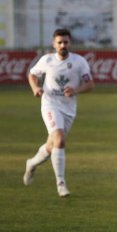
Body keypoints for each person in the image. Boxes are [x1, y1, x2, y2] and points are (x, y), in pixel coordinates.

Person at [24, 28, 95, 197]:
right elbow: (32, 75)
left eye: (66, 42)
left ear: (70, 43)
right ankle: (61, 184)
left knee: (52, 145)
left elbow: (90, 84)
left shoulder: (79, 62)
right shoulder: (47, 60)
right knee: (60, 140)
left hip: (69, 109)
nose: (63, 45)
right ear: (53, 44)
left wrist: (76, 90)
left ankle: (31, 163)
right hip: (50, 105)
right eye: (60, 42)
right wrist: (35, 88)